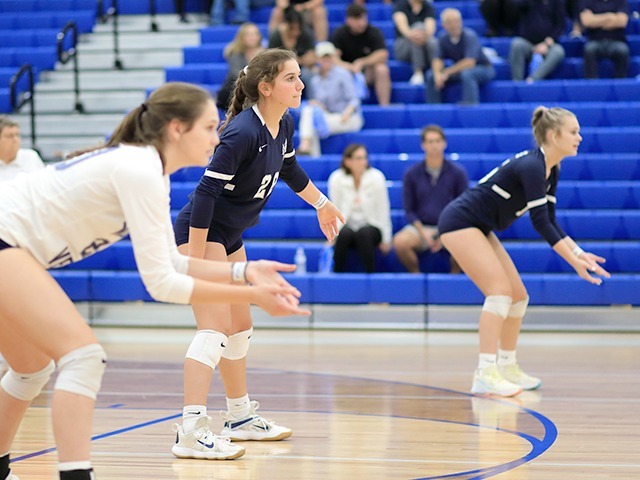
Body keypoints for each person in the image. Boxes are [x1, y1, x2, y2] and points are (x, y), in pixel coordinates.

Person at [0, 82, 311, 480]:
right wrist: (251, 292)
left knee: (30, 368)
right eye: (209, 127)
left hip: (14, 248)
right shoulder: (138, 169)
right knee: (83, 356)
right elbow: (161, 284)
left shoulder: (149, 172)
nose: (217, 138)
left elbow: (170, 264)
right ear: (177, 129)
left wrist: (243, 272)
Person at [173, 49, 344, 460]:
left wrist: (322, 203)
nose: (300, 85)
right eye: (291, 78)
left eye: (300, 77)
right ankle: (191, 428)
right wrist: (196, 262)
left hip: (229, 234)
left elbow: (289, 170)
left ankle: (239, 416)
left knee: (240, 326)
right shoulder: (241, 132)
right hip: (202, 231)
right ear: (266, 87)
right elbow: (205, 195)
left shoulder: (281, 123)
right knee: (214, 329)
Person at [438, 106, 610, 397]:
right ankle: (485, 373)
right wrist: (574, 262)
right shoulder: (532, 166)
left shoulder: (551, 168)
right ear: (553, 135)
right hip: (459, 222)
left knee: (518, 297)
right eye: (573, 132)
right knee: (499, 292)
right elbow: (539, 222)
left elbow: (551, 219)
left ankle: (507, 365)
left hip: (479, 225)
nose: (579, 137)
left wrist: (579, 253)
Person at [392, 125, 468, 273]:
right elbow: (409, 209)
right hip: (421, 227)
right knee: (400, 242)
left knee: (466, 245)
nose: (434, 145)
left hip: (450, 227)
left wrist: (445, 233)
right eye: (430, 141)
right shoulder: (411, 174)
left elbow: (464, 207)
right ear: (423, 145)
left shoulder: (458, 173)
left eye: (438, 141)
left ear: (444, 143)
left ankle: (453, 281)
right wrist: (422, 232)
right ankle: (416, 277)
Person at [328, 144, 392, 273]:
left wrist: (386, 239)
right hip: (346, 226)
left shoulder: (377, 177)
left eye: (364, 158)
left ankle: (370, 276)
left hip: (372, 226)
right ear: (347, 161)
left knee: (364, 234)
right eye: (358, 158)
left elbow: (383, 209)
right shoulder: (336, 178)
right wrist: (332, 236)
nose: (363, 162)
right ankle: (337, 277)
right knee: (344, 235)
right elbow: (333, 209)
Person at [297, 42, 364, 157]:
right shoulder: (315, 80)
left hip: (348, 117)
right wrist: (318, 104)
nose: (326, 60)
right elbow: (322, 105)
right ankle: (310, 153)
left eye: (329, 57)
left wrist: (348, 112)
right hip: (329, 116)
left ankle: (307, 150)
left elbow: (354, 99)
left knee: (311, 122)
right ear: (318, 59)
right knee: (309, 112)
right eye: (323, 57)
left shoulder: (343, 74)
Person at [425, 8, 495, 104]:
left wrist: (447, 72)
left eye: (456, 21)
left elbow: (470, 62)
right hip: (459, 70)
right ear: (443, 25)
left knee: (467, 74)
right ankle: (433, 107)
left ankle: (470, 104)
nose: (454, 25)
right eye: (449, 22)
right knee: (431, 75)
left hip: (483, 68)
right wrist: (438, 74)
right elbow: (437, 59)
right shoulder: (442, 38)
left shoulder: (470, 36)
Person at [331, 4, 392, 106]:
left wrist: (362, 62)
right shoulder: (340, 33)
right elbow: (334, 57)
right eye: (357, 19)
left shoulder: (373, 32)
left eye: (364, 19)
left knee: (382, 69)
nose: (362, 23)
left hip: (367, 72)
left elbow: (383, 54)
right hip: (347, 73)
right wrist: (348, 67)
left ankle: (384, 106)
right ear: (348, 20)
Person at [509, 0, 566, 83]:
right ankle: (517, 83)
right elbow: (517, 6)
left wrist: (547, 43)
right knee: (516, 44)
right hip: (527, 42)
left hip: (548, 44)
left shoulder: (556, 2)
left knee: (558, 52)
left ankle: (533, 80)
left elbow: (561, 24)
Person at [268, 6, 317, 99]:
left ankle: (312, 101)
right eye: (293, 29)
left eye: (298, 29)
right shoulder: (276, 35)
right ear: (286, 25)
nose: (296, 32)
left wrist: (292, 61)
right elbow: (271, 59)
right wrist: (298, 60)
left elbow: (312, 58)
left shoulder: (305, 33)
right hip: (280, 70)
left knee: (310, 74)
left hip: (302, 69)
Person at [216, 23, 265, 112]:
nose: (252, 37)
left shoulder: (264, 53)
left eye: (254, 34)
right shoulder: (236, 53)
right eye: (249, 35)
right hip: (235, 90)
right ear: (241, 37)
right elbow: (235, 74)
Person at [580, 0, 629, 79]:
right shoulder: (588, 2)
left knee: (623, 50)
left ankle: (620, 82)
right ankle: (592, 84)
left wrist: (596, 20)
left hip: (616, 40)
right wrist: (610, 17)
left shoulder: (620, 1)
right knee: (589, 49)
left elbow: (622, 22)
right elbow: (587, 22)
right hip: (595, 40)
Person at [392, 0, 437, 85]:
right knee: (418, 28)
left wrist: (422, 35)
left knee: (433, 41)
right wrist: (413, 34)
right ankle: (418, 71)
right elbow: (403, 27)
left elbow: (430, 29)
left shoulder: (428, 7)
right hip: (403, 46)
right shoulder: (400, 5)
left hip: (424, 43)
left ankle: (435, 71)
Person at [0, 116, 45, 183]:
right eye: (10, 136)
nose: (15, 140)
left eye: (17, 135)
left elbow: (45, 184)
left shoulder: (31, 157)